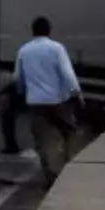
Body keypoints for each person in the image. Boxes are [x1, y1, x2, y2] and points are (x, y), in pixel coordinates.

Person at [13, 16, 83, 186]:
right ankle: (68, 165)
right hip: (58, 101)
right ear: (49, 30)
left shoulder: (24, 50)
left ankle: (49, 176)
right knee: (70, 131)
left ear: (33, 31)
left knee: (41, 140)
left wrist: (22, 91)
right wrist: (77, 93)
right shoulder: (57, 48)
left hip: (35, 102)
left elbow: (17, 78)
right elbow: (68, 74)